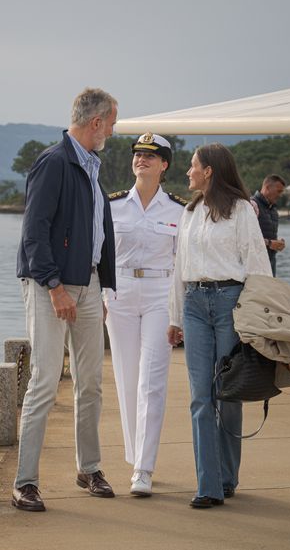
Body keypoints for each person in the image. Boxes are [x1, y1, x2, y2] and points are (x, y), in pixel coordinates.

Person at [13, 88, 118, 512]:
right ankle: (25, 482)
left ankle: (88, 469)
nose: (112, 130)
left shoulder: (91, 167)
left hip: (88, 286)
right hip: (49, 286)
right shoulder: (54, 162)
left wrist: (100, 288)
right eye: (112, 122)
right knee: (43, 381)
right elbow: (34, 232)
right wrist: (55, 287)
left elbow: (97, 234)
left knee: (90, 382)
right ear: (96, 123)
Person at [167, 143, 272, 509]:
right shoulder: (190, 211)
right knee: (200, 396)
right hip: (194, 304)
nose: (188, 172)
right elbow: (180, 267)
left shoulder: (242, 210)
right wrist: (174, 317)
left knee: (228, 393)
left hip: (230, 303)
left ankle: (227, 477)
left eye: (193, 166)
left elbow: (258, 264)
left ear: (209, 170)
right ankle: (208, 485)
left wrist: (257, 321)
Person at [103, 132, 185, 497]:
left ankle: (144, 468)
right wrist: (102, 295)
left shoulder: (180, 210)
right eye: (138, 154)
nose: (142, 160)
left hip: (158, 294)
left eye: (151, 156)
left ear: (164, 165)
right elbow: (99, 254)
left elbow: (183, 265)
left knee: (152, 382)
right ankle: (135, 454)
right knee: (126, 377)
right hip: (118, 294)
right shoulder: (113, 205)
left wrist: (178, 313)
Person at [251, 174, 286, 275]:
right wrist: (270, 243)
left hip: (270, 265)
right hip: (254, 267)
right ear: (267, 188)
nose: (280, 195)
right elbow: (244, 238)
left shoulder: (273, 210)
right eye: (279, 191)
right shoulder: (251, 206)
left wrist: (278, 244)